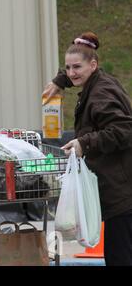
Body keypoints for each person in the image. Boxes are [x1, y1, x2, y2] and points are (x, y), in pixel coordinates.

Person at [42, 32, 132, 266]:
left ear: (94, 65)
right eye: (67, 68)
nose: (72, 73)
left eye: (77, 67)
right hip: (121, 191)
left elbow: (124, 130)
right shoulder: (98, 80)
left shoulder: (100, 93)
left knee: (120, 258)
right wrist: (59, 80)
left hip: (123, 194)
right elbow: (74, 71)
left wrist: (84, 143)